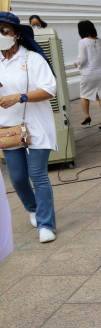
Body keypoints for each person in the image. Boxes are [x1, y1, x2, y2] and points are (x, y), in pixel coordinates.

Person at [0, 12, 58, 243]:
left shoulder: (33, 59)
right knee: (17, 178)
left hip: (37, 126)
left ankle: (46, 224)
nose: (1, 35)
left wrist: (19, 97)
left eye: (5, 31)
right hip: (8, 128)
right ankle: (32, 208)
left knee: (38, 175)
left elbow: (49, 90)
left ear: (17, 35)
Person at [74, 20, 101, 128]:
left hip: (89, 73)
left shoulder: (83, 42)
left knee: (84, 95)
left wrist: (77, 63)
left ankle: (86, 116)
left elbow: (83, 58)